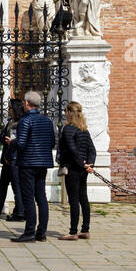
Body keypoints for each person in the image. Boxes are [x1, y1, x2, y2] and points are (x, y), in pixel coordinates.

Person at [13, 90, 56, 243]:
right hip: (43, 162)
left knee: (28, 198)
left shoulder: (25, 121)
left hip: (28, 163)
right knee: (41, 197)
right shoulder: (47, 121)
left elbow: (21, 143)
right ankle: (42, 232)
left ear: (26, 103)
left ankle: (30, 231)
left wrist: (11, 142)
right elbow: (52, 142)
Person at [57, 101, 96, 241]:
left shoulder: (68, 129)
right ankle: (85, 229)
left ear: (69, 112)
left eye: (65, 111)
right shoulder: (84, 130)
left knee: (74, 200)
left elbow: (72, 150)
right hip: (83, 169)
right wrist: (90, 164)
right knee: (83, 198)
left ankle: (73, 232)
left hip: (73, 168)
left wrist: (83, 164)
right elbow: (92, 150)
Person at [0, 99, 26, 222]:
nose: (8, 110)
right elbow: (3, 138)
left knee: (17, 186)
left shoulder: (20, 123)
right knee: (2, 185)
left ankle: (20, 212)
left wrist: (10, 156)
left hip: (13, 159)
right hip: (7, 159)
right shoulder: (10, 122)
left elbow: (14, 143)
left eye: (10, 108)